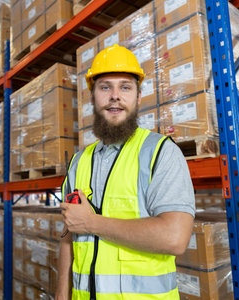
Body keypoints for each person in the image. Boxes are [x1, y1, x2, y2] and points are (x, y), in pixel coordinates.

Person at [56, 44, 195, 300]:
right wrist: (61, 296)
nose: (115, 96)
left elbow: (175, 237)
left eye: (126, 87)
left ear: (139, 97)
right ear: (92, 97)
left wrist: (92, 223)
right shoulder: (78, 163)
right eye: (105, 87)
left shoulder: (160, 153)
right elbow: (69, 234)